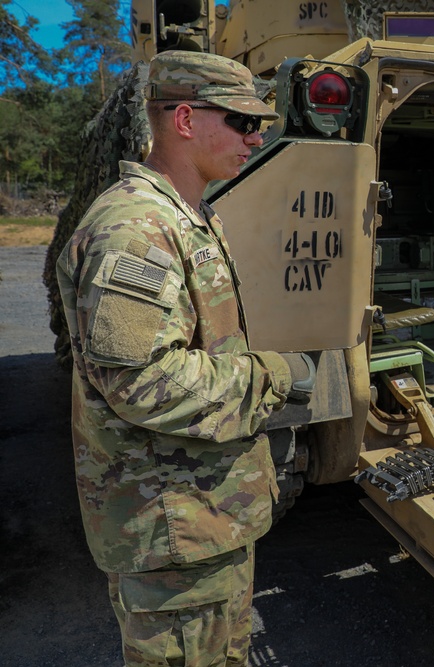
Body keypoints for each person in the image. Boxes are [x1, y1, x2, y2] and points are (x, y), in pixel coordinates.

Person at [56, 51, 315, 666]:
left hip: (205, 518)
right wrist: (272, 376)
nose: (256, 137)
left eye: (260, 124)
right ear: (184, 119)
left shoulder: (190, 214)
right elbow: (140, 381)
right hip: (172, 529)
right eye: (241, 121)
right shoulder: (136, 228)